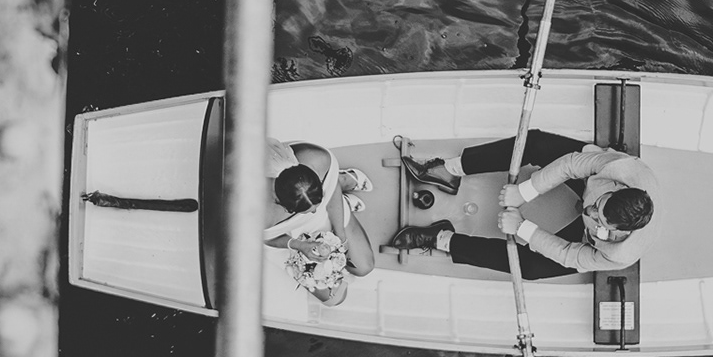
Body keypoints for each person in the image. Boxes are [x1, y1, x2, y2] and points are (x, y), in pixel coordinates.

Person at [393, 131, 658, 278]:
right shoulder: (621, 168)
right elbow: (570, 165)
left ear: (618, 232)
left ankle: (442, 240)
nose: (588, 211)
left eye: (598, 220)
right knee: (536, 143)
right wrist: (524, 191)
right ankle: (450, 170)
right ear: (618, 187)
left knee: (529, 268)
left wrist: (522, 227)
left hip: (583, 240)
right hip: (587, 177)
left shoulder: (619, 254)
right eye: (598, 204)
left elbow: (569, 254)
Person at [263, 140, 377, 305]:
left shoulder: (317, 159)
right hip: (287, 235)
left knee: (364, 267)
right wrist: (299, 245)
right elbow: (266, 239)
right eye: (308, 211)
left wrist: (340, 234)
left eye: (314, 207)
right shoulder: (260, 216)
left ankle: (342, 183)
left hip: (327, 207)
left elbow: (330, 189)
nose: (314, 213)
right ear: (283, 206)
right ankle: (342, 192)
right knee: (334, 298)